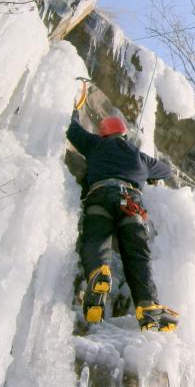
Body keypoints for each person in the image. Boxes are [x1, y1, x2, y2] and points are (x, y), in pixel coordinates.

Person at [67, 107, 178, 332]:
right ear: (124, 133)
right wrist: (151, 174)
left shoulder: (95, 144)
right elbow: (166, 170)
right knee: (137, 256)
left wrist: (76, 111)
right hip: (131, 204)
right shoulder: (139, 156)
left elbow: (72, 130)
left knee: (96, 241)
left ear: (103, 133)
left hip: (100, 197)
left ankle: (98, 275)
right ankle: (147, 306)